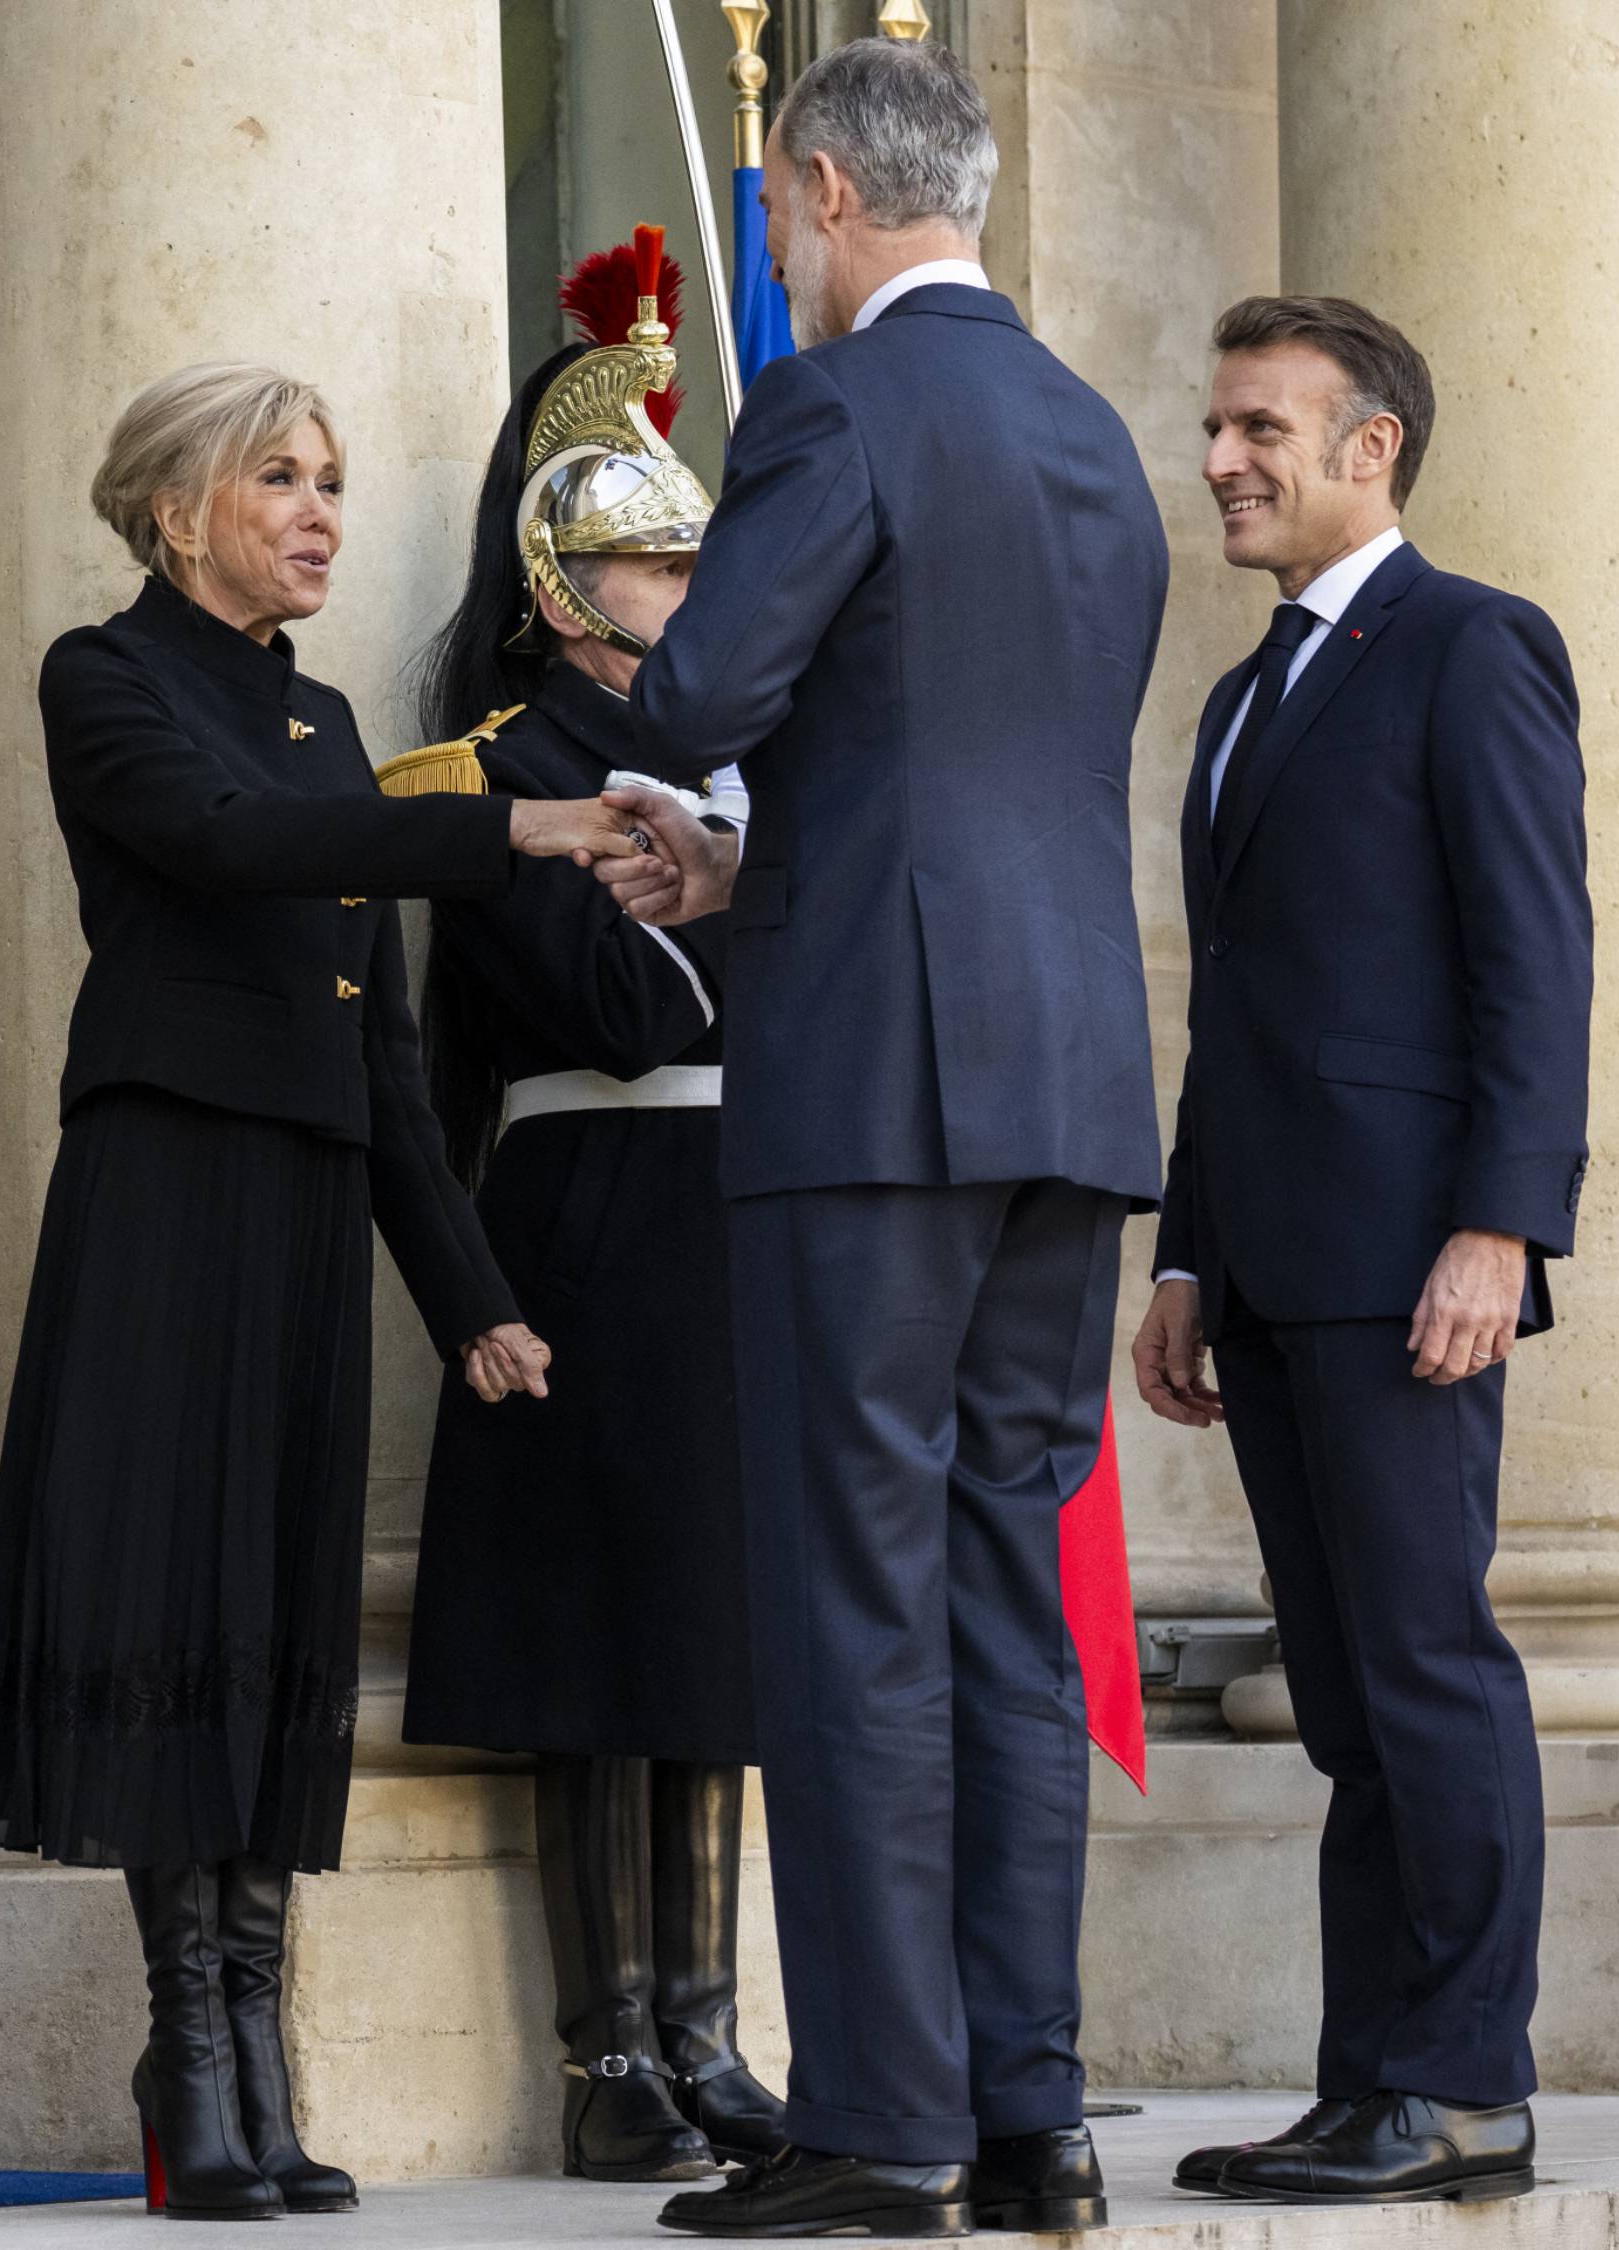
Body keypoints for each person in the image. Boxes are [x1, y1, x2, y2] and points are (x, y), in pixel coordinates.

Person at [0, 362, 641, 2222]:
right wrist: (506, 825)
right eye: (282, 481)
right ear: (180, 511)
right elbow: (233, 843)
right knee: (176, 1595)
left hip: (313, 1204)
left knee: (274, 1619)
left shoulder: (326, 722)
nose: (324, 511)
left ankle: (252, 2039)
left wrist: (471, 1294)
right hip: (169, 1195)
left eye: (331, 479)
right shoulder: (104, 677)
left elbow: (380, 1054)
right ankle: (192, 2046)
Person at [596, 43, 1169, 2239]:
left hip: (874, 1082)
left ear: (829, 190)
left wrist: (677, 734)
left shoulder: (834, 409)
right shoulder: (1092, 426)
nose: (775, 248)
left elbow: (704, 697)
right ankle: (1031, 2117)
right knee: (1011, 1598)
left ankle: (883, 2120)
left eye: (770, 212)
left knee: (851, 1594)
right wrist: (772, 867)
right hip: (1065, 1076)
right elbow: (962, 753)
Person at [1131, 296, 1592, 2207]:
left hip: (1414, 1261)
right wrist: (1186, 1256)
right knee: (1343, 1692)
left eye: (1260, 427)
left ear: (1368, 445)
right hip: (1270, 1264)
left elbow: (1534, 959)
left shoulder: (1473, 644)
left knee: (1425, 1661)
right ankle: (1367, 2083)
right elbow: (1232, 1005)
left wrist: (1498, 1223)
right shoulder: (1242, 698)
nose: (1221, 460)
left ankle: (1467, 2086)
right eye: (1218, 426)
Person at [388, 231, 784, 2186]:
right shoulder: (493, 776)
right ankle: (606, 2043)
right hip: (587, 1205)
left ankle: (708, 2026)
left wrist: (729, 865)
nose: (694, 592)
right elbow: (620, 1008)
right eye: (660, 565)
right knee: (595, 1643)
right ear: (565, 586)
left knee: (713, 1633)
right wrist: (745, 891)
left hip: (730, 1208)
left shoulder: (735, 770)